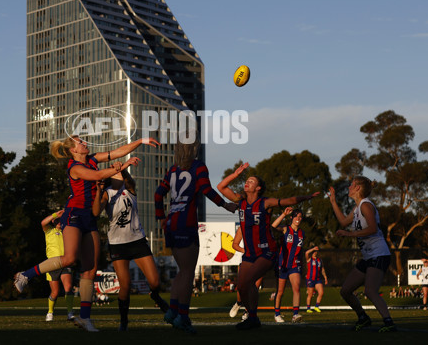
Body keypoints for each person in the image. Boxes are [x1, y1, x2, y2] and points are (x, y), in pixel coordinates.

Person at [14, 136, 159, 332]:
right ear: (74, 150)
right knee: (69, 258)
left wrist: (140, 141)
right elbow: (98, 176)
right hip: (74, 214)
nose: (85, 142)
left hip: (89, 217)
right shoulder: (74, 167)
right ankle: (25, 275)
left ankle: (85, 318)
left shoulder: (92, 158)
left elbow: (117, 152)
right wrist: (122, 166)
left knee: (90, 269)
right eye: (80, 142)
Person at [217, 162, 320, 330]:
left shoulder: (265, 203)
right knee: (241, 287)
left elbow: (288, 200)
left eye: (251, 181)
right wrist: (236, 174)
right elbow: (221, 186)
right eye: (247, 180)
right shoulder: (240, 201)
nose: (247, 182)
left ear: (258, 188)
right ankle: (251, 316)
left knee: (250, 281)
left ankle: (253, 318)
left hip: (266, 251)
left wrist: (306, 197)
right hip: (249, 253)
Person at [155, 135, 238, 334]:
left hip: (172, 224)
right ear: (194, 148)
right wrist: (225, 205)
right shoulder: (198, 166)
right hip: (186, 223)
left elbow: (158, 194)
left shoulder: (173, 169)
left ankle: (173, 312)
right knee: (187, 273)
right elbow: (206, 189)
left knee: (181, 271)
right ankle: (182, 317)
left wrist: (161, 218)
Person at [93, 166, 169, 331]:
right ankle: (124, 320)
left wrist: (124, 166)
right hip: (118, 244)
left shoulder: (129, 189)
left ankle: (154, 295)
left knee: (155, 282)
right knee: (125, 286)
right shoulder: (107, 193)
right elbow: (96, 212)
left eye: (119, 172)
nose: (117, 173)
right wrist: (98, 191)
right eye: (113, 172)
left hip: (137, 241)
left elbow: (125, 175)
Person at [328, 177, 397, 333]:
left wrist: (349, 234)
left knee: (370, 291)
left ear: (358, 188)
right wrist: (333, 201)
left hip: (379, 254)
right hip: (368, 257)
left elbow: (373, 229)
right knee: (345, 290)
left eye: (352, 184)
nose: (349, 187)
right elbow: (344, 222)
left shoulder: (366, 205)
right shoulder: (357, 207)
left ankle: (389, 323)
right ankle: (363, 318)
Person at [271, 207, 305, 323]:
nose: (298, 219)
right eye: (296, 216)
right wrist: (283, 214)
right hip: (282, 264)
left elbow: (300, 251)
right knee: (280, 291)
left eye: (300, 217)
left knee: (296, 288)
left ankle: (295, 315)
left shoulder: (302, 233)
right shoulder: (286, 229)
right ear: (292, 217)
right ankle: (277, 314)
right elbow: (273, 226)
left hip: (294, 265)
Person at [40, 209, 75, 322]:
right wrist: (56, 214)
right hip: (52, 264)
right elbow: (43, 223)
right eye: (57, 220)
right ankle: (50, 312)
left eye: (61, 219)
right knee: (55, 292)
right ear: (53, 221)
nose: (59, 221)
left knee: (68, 287)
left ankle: (70, 312)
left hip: (65, 262)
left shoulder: (66, 231)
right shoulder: (49, 230)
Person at [305, 246, 328, 313]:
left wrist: (325, 277)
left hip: (317, 279)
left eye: (316, 251)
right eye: (314, 252)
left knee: (321, 292)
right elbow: (306, 253)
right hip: (310, 279)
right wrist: (313, 248)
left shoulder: (319, 260)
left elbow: (322, 269)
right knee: (310, 294)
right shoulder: (309, 259)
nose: (315, 253)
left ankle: (316, 307)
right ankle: (308, 308)